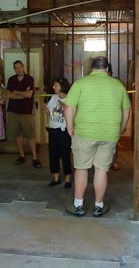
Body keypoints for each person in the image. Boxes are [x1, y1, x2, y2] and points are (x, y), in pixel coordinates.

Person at [64, 56, 131, 217]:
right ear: (107, 69)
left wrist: (70, 127)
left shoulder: (80, 83)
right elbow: (127, 109)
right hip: (109, 134)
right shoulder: (118, 85)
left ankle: (78, 205)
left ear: (91, 69)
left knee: (81, 168)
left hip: (85, 132)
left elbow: (69, 106)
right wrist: (120, 129)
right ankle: (98, 206)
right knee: (102, 169)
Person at [6, 60, 41, 168]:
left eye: (20, 67)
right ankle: (21, 156)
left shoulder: (29, 79)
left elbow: (29, 95)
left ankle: (35, 158)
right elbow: (9, 95)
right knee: (18, 135)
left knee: (30, 135)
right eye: (16, 68)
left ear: (23, 67)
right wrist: (22, 94)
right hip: (13, 111)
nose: (18, 69)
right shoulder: (11, 79)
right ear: (14, 69)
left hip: (26, 112)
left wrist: (16, 92)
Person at [46, 78, 73, 188]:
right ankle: (55, 178)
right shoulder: (53, 98)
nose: (53, 87)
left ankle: (68, 179)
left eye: (55, 85)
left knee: (65, 155)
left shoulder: (70, 99)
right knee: (53, 154)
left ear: (62, 86)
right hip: (53, 129)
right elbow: (49, 111)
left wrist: (64, 107)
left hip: (64, 131)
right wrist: (46, 110)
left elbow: (74, 115)